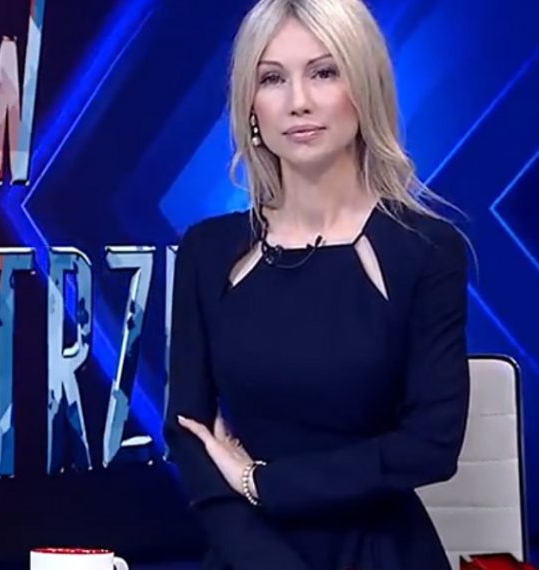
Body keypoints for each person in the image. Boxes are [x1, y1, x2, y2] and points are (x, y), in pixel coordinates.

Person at [163, 0, 470, 568]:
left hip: (378, 552)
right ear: (251, 106)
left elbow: (430, 446)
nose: (298, 101)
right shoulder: (207, 252)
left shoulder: (426, 251)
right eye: (272, 79)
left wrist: (263, 483)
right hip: (247, 554)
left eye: (324, 72)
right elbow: (190, 431)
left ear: (364, 88)